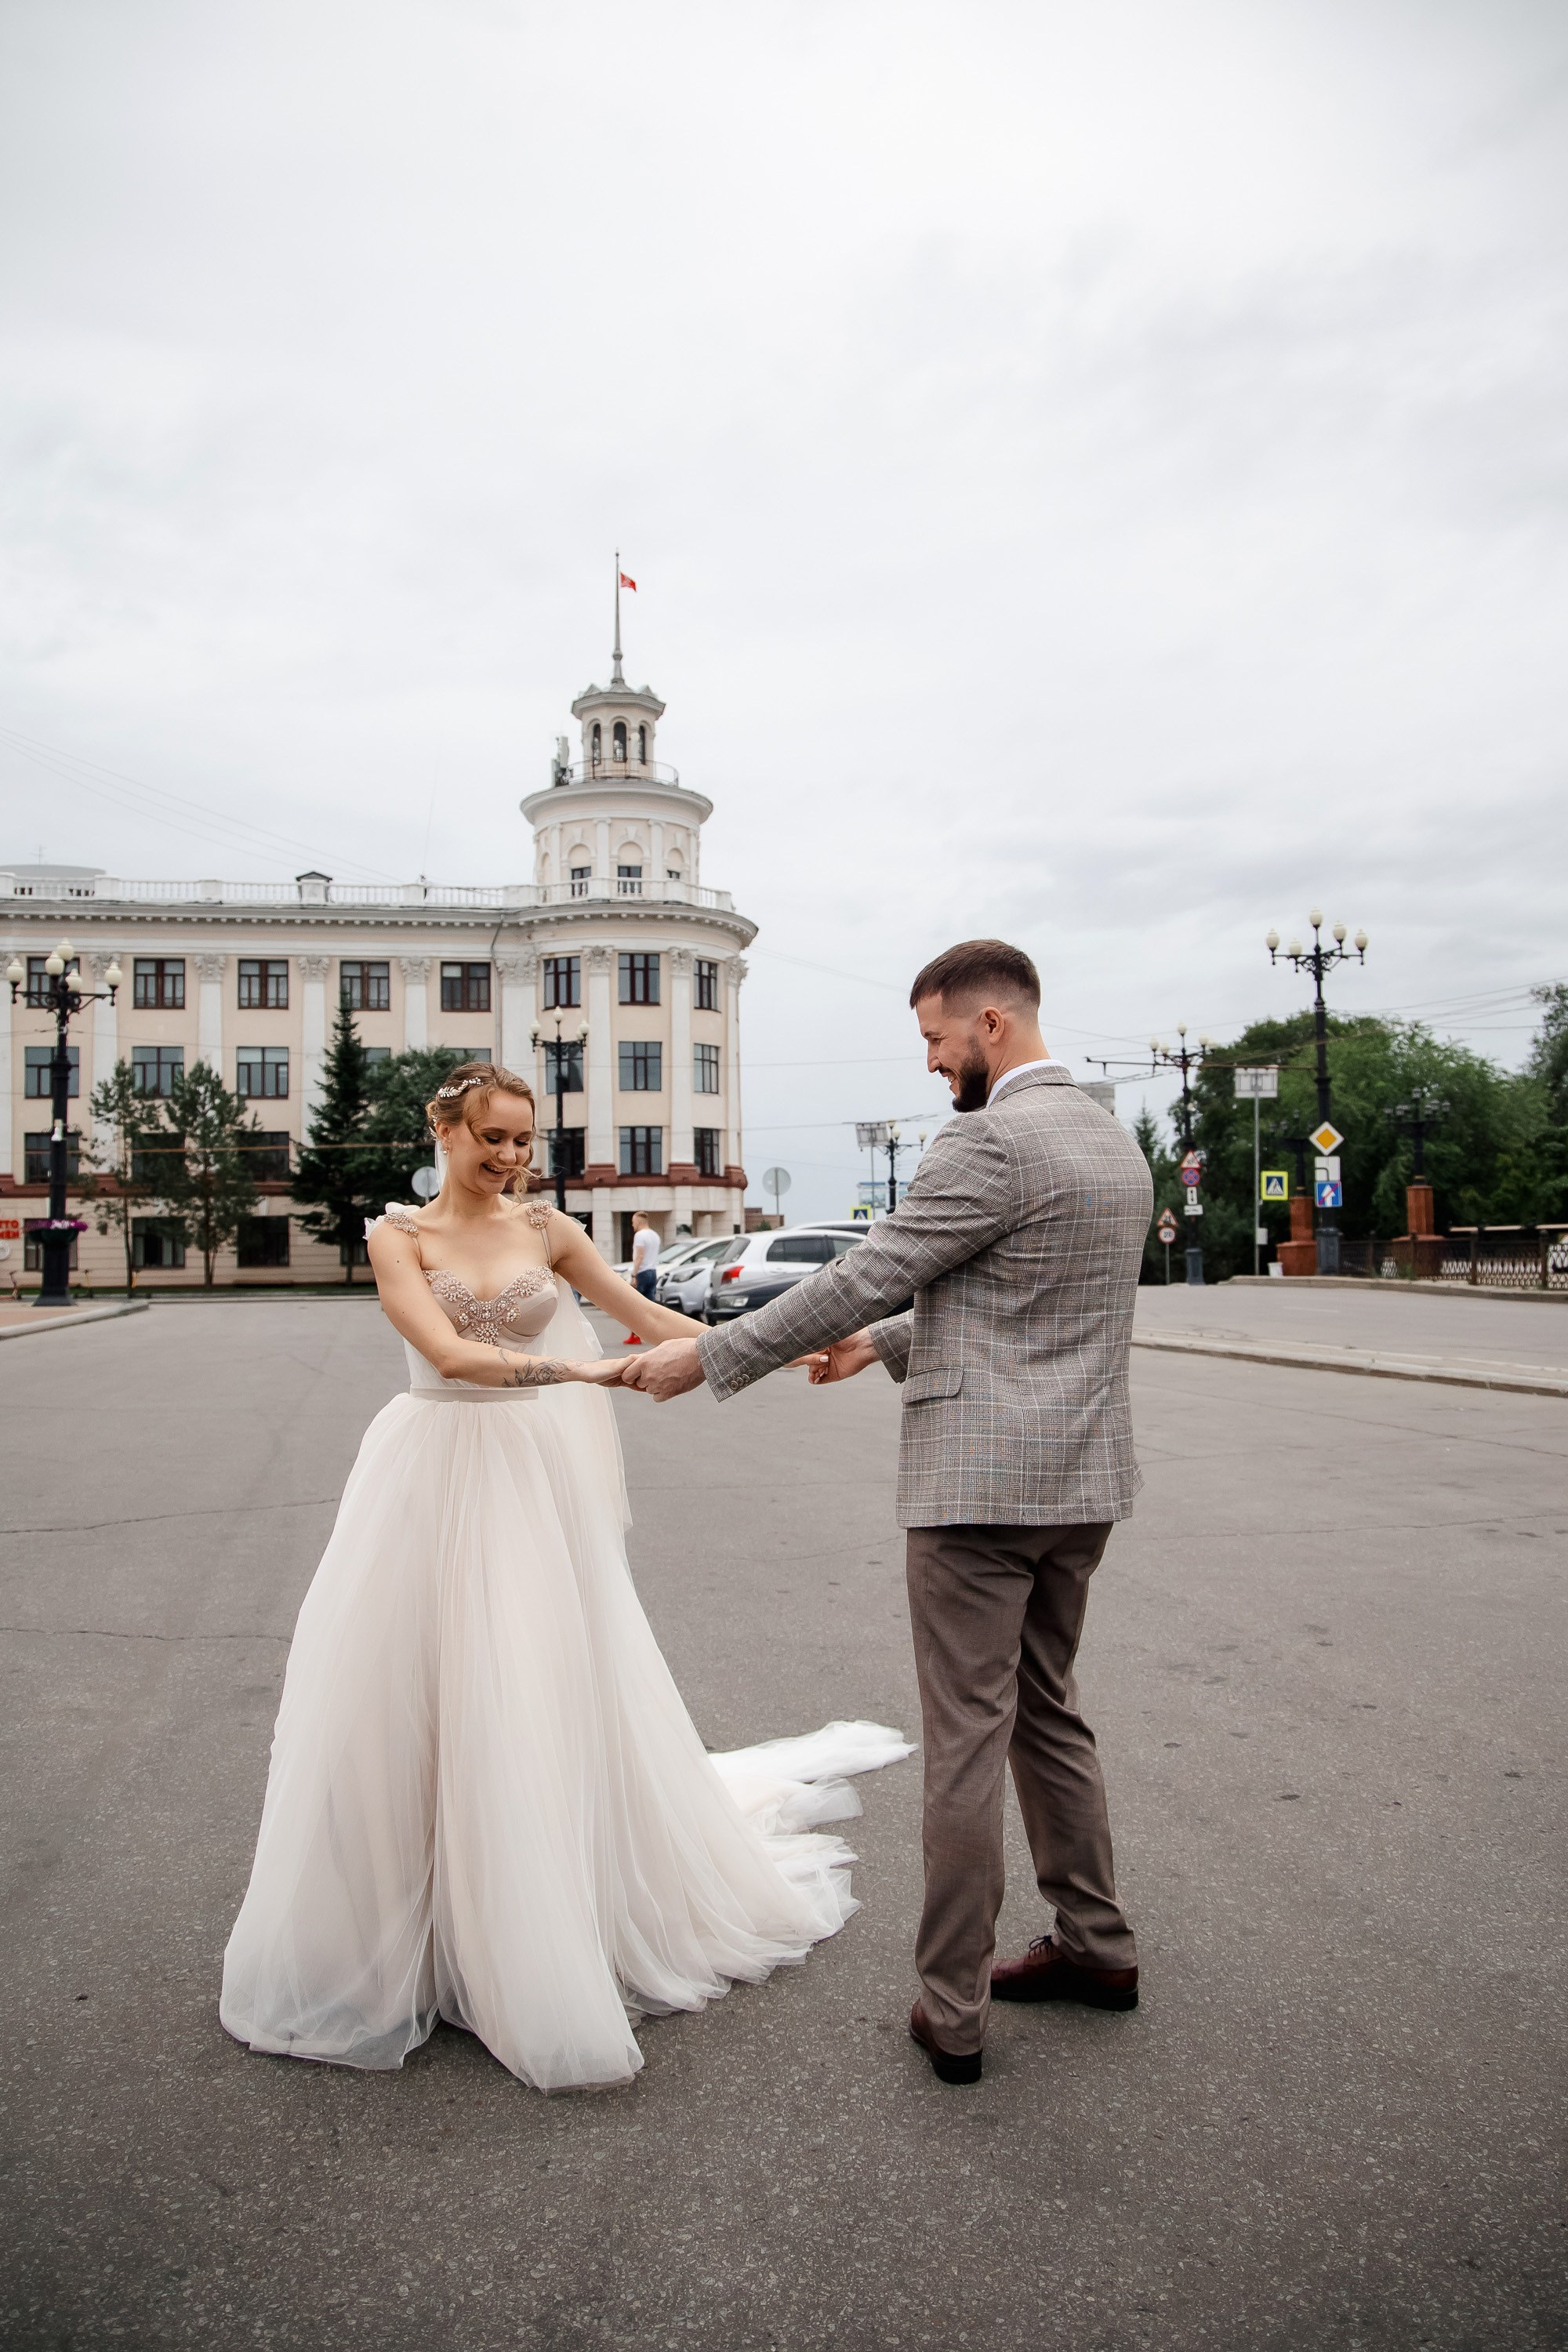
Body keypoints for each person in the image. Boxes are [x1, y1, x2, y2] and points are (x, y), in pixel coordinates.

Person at [220, 1062, 909, 2093]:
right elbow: (450, 1354)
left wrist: (771, 1349)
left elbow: (648, 1317)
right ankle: (407, 1922)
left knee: (528, 1680)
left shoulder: (549, 1230)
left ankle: (529, 1917)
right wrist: (587, 1371)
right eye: (490, 1138)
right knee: (404, 1687)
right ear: (444, 1130)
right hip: (428, 1466)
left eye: (522, 1141)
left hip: (526, 1477)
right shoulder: (396, 1236)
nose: (509, 1158)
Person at [625, 942, 1152, 2086]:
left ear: (991, 1023)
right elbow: (1024, 1290)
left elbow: (868, 1268)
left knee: (966, 1739)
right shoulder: (1111, 1140)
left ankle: (952, 2009)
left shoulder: (989, 1138)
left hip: (979, 1495)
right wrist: (882, 1344)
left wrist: (710, 1356)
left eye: (934, 1038)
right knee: (1049, 1712)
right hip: (1082, 1484)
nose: (930, 1062)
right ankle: (1098, 1946)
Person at [630, 1210, 660, 1299]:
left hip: (642, 1273)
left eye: (633, 1222)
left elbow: (640, 1256)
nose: (632, 1225)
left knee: (636, 1300)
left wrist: (634, 1275)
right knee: (650, 1301)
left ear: (638, 1222)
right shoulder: (655, 1235)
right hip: (653, 1272)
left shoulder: (639, 1235)